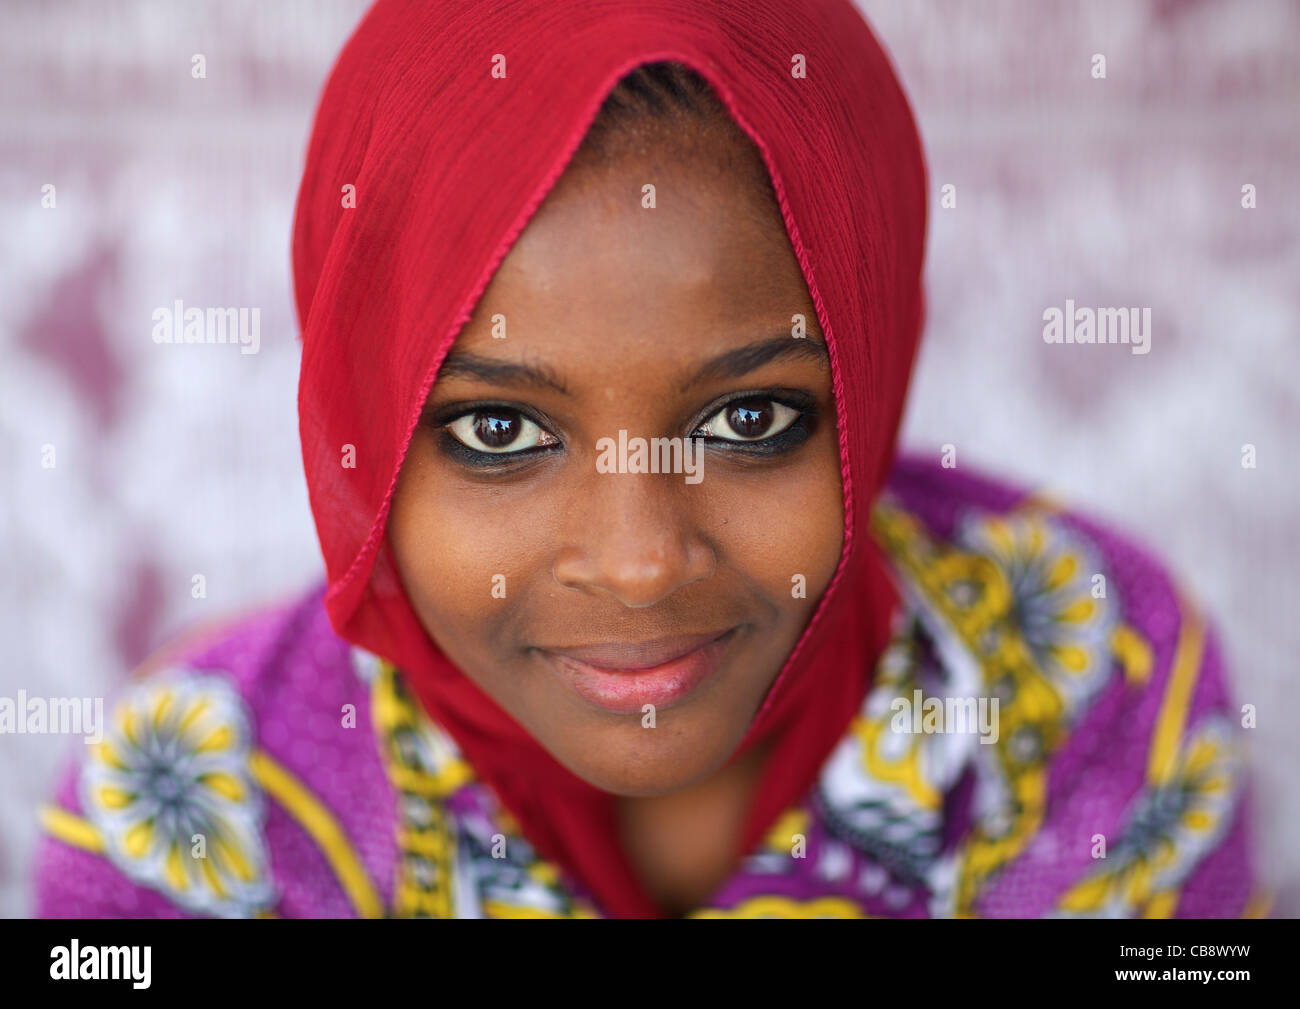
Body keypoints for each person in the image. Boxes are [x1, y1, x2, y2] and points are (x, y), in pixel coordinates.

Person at [34, 0, 1261, 919]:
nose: (636, 563)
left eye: (748, 421)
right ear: (364, 428)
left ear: (868, 385)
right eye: (499, 431)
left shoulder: (1102, 692)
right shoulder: (195, 819)